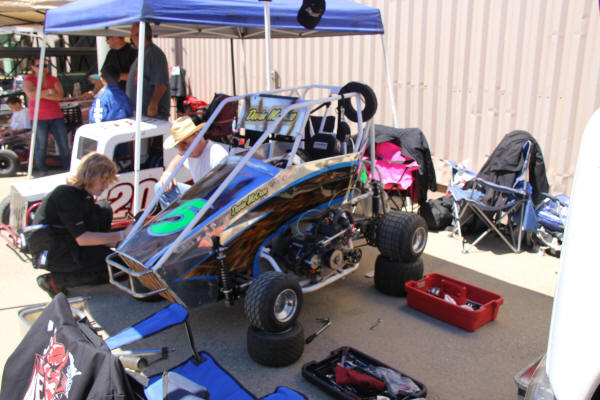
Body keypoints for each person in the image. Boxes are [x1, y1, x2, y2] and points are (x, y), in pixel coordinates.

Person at [33, 152, 133, 297]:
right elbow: (82, 238)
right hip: (53, 252)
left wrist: (123, 244)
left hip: (67, 244)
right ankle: (55, 281)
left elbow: (92, 234)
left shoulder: (83, 196)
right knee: (119, 269)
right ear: (91, 176)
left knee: (104, 209)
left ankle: (91, 263)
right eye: (103, 181)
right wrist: (122, 235)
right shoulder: (65, 195)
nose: (106, 186)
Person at [155, 115, 228, 209]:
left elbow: (226, 188)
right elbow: (179, 156)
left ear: (197, 136)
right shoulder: (190, 153)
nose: (181, 149)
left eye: (184, 143)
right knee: (161, 187)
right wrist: (168, 173)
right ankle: (174, 217)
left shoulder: (216, 153)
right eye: (177, 145)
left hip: (214, 201)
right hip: (200, 196)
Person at [23, 58, 71, 173]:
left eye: (44, 66)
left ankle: (68, 168)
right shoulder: (29, 79)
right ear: (33, 67)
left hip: (56, 116)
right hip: (38, 118)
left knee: (63, 144)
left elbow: (59, 97)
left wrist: (40, 93)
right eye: (38, 66)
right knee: (41, 145)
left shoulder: (53, 79)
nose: (42, 68)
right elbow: (32, 95)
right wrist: (49, 91)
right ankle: (42, 170)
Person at [126, 23, 170, 120]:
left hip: (152, 116)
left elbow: (161, 84)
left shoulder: (154, 54)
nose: (131, 38)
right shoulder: (144, 52)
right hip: (142, 114)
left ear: (140, 35)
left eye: (133, 35)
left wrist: (153, 104)